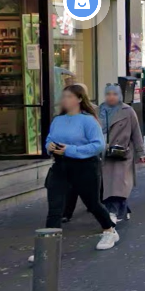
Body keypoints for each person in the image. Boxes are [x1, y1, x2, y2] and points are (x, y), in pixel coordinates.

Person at [44, 84, 118, 250]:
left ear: (79, 99)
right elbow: (49, 139)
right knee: (55, 207)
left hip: (85, 167)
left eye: (69, 96)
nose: (65, 100)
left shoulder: (88, 120)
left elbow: (98, 145)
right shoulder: (58, 120)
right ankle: (48, 247)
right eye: (63, 96)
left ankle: (109, 230)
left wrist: (70, 150)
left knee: (92, 204)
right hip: (60, 166)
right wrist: (49, 146)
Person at [98, 83, 145, 224]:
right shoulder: (98, 111)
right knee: (108, 185)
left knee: (119, 185)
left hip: (122, 153)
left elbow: (136, 133)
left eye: (114, 94)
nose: (111, 97)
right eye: (108, 94)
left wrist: (141, 153)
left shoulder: (128, 111)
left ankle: (112, 212)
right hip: (103, 153)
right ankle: (122, 209)